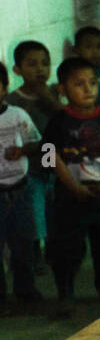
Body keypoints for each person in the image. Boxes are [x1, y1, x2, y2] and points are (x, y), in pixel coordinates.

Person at [43, 57, 100, 317]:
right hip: (70, 198)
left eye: (92, 82)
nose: (88, 89)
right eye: (79, 84)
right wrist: (74, 187)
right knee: (67, 249)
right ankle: (66, 294)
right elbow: (49, 154)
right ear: (62, 90)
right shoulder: (58, 121)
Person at [9, 41, 61, 269]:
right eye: (32, 64)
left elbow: (66, 121)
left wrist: (49, 99)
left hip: (54, 162)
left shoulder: (56, 92)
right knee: (34, 214)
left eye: (45, 64)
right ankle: (32, 255)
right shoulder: (12, 101)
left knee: (54, 210)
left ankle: (53, 252)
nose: (40, 69)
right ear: (17, 70)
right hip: (29, 167)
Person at [0, 61, 43, 310]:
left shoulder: (18, 116)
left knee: (22, 245)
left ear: (5, 88)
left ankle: (26, 291)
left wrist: (23, 150)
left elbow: (40, 144)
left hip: (20, 189)